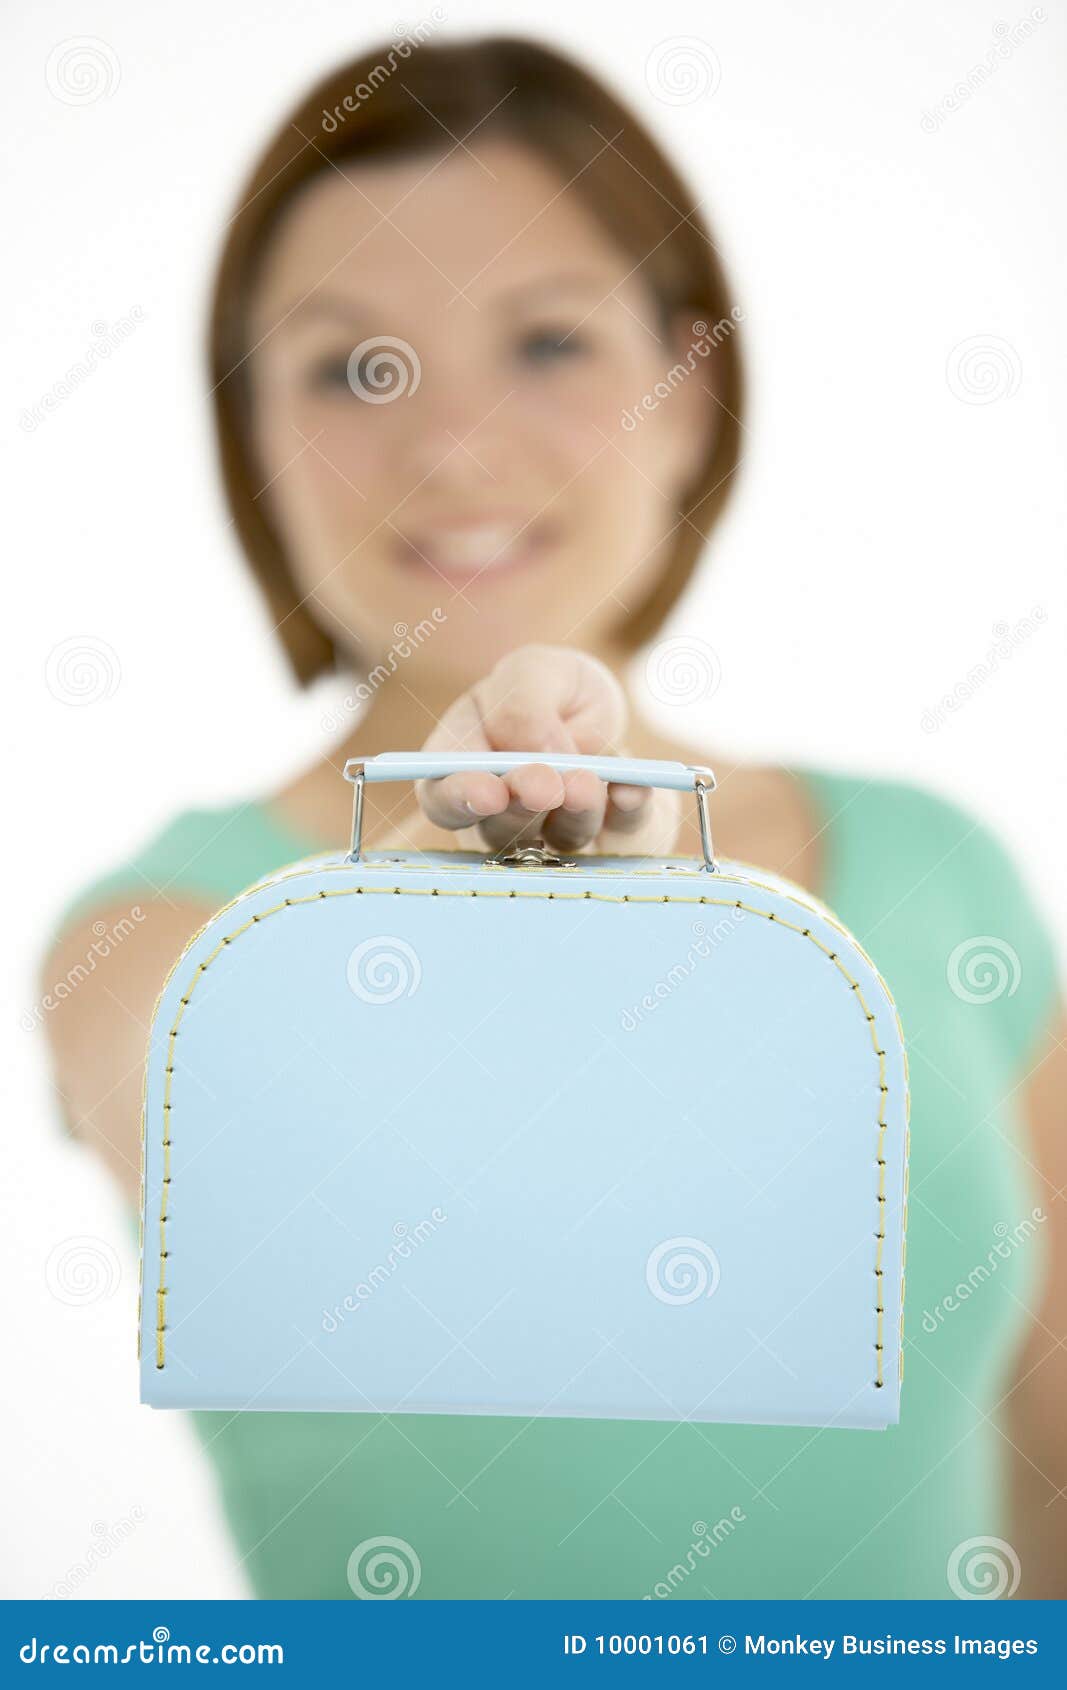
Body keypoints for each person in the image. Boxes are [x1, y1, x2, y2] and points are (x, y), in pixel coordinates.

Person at [41, 36, 1066, 1600]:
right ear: (252, 437)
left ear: (689, 393)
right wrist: (446, 903)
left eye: (547, 342)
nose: (451, 444)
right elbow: (185, 1080)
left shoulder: (944, 871)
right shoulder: (147, 925)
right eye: (351, 367)